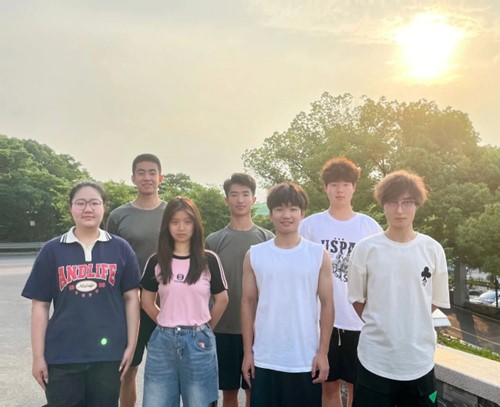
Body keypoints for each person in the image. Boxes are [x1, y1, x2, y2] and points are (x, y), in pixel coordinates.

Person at [22, 181, 141, 407]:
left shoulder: (121, 248)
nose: (88, 209)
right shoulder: (52, 250)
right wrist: (38, 357)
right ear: (70, 207)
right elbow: (40, 306)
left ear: (104, 206)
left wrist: (130, 347)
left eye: (94, 203)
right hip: (62, 355)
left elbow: (132, 299)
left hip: (108, 356)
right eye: (81, 203)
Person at [347, 170, 450, 407]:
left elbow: (433, 302)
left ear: (417, 205)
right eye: (392, 202)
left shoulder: (432, 249)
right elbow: (357, 299)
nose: (400, 210)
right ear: (383, 205)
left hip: (419, 360)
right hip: (374, 359)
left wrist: (411, 319)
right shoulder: (366, 249)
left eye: (407, 202)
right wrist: (383, 322)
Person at [241, 182, 334, 407]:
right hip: (265, 357)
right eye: (279, 209)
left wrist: (323, 352)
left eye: (293, 209)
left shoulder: (318, 254)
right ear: (270, 214)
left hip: (305, 359)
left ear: (302, 213)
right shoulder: (255, 255)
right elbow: (247, 303)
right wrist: (247, 353)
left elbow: (328, 304)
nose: (286, 215)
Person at [300, 157, 382, 407]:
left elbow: (379, 274)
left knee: (359, 387)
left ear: (354, 187)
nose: (340, 190)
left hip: (360, 321)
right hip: (322, 321)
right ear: (326, 188)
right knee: (328, 385)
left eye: (346, 184)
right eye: (334, 184)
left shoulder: (368, 227)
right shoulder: (310, 226)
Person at [141, 197, 229, 407]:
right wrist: (166, 321)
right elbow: (146, 301)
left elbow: (222, 299)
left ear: (195, 224)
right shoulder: (156, 261)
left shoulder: (209, 260)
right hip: (162, 342)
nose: (181, 227)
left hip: (199, 343)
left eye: (187, 221)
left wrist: (204, 328)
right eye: (175, 222)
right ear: (167, 225)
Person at [205, 173, 274, 407]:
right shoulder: (214, 241)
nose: (240, 200)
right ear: (226, 200)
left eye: (245, 194)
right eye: (234, 195)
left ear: (254, 199)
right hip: (223, 327)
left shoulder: (267, 239)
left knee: (256, 391)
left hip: (259, 329)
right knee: (229, 392)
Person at [106, 153, 167, 407]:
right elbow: (108, 260)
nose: (147, 177)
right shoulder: (118, 215)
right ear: (133, 178)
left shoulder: (173, 213)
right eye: (141, 172)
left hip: (167, 302)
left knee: (165, 371)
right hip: (129, 303)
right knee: (128, 368)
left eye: (152, 172)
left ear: (161, 178)